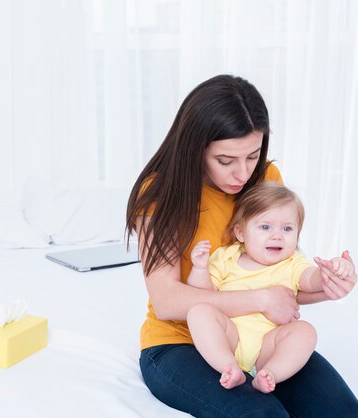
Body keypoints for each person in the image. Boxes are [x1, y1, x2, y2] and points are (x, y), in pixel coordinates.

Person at [125, 74, 358, 417]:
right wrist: (261, 299)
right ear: (195, 148)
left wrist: (328, 286)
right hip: (180, 342)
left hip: (261, 339)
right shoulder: (161, 193)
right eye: (226, 160)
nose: (243, 173)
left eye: (252, 155)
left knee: (341, 411)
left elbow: (282, 275)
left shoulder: (266, 177)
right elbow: (167, 301)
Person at [187, 182, 354, 394]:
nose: (277, 235)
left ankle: (271, 373)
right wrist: (200, 268)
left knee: (305, 331)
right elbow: (202, 295)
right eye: (265, 227)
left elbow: (312, 279)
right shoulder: (226, 257)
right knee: (199, 312)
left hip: (268, 345)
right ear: (240, 233)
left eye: (287, 228)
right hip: (229, 336)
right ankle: (228, 366)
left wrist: (333, 271)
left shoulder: (293, 263)